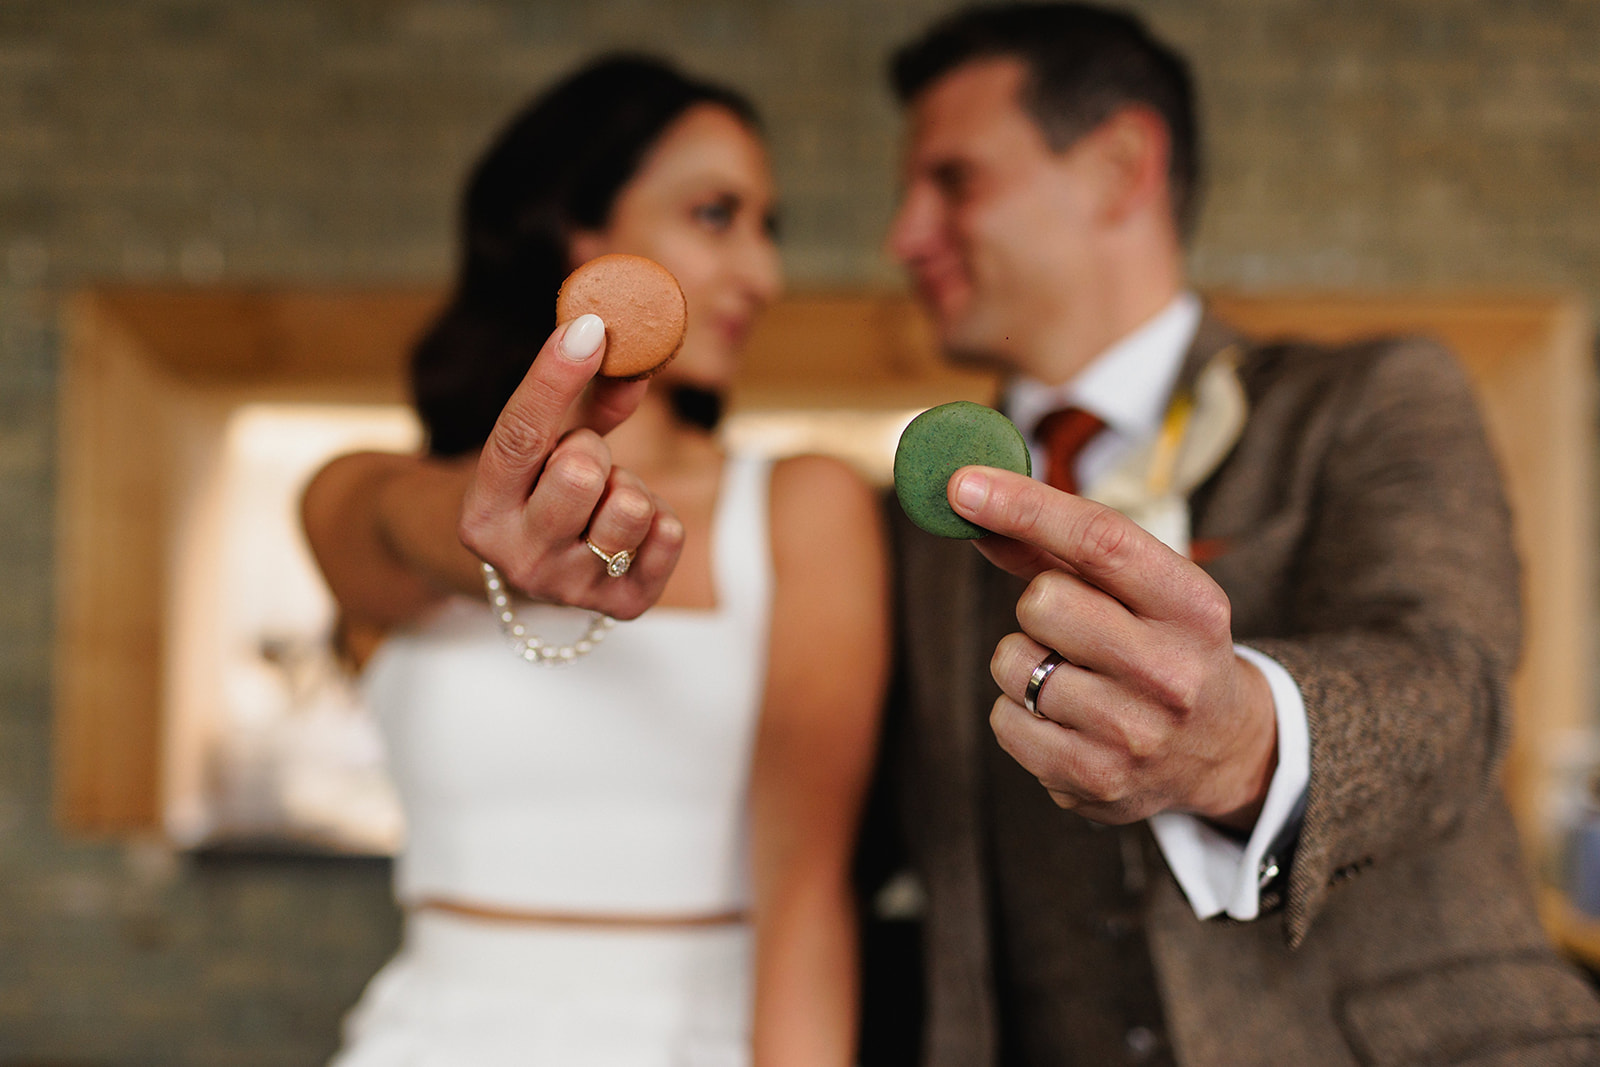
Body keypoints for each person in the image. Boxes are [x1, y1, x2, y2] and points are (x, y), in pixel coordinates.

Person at [859, 3, 1600, 1065]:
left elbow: (1454, 692)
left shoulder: (1372, 396)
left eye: (953, 180)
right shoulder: (906, 519)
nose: (902, 237)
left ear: (1120, 166)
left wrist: (1247, 735)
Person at [302, 55, 889, 1066]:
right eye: (716, 214)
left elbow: (805, 903)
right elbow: (407, 522)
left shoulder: (799, 507)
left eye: (767, 227)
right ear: (578, 234)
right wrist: (500, 523)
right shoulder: (364, 494)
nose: (764, 275)